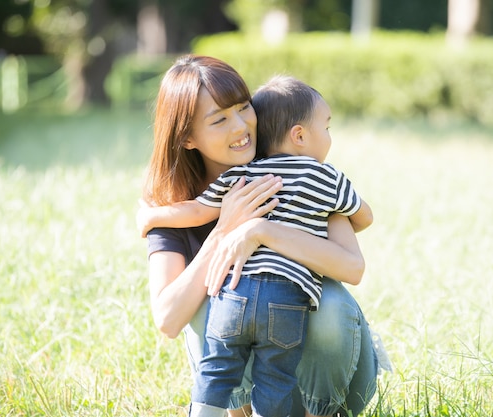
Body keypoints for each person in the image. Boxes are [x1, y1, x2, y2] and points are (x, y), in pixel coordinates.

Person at [141, 54, 384, 417]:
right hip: (252, 377)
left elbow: (353, 266)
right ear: (188, 137)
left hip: (330, 378)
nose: (241, 127)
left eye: (243, 108)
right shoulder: (175, 206)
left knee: (330, 306)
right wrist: (225, 230)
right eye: (220, 119)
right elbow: (169, 318)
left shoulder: (295, 176)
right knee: (206, 299)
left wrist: (261, 230)